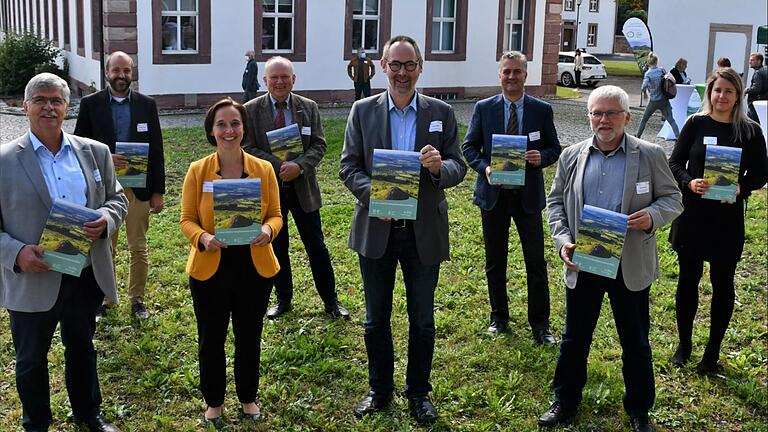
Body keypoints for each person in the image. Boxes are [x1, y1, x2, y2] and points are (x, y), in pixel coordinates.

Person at [539, 85, 682, 432]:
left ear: (627, 117)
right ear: (589, 117)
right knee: (575, 339)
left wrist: (652, 216)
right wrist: (563, 242)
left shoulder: (649, 155)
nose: (603, 120)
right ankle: (565, 399)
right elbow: (555, 203)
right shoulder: (572, 155)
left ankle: (638, 410)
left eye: (611, 113)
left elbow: (674, 199)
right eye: (596, 113)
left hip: (629, 264)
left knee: (635, 341)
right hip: (585, 260)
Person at [340, 35, 467, 424]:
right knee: (375, 318)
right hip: (376, 229)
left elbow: (458, 166)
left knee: (423, 320)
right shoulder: (362, 111)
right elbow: (348, 168)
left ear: (420, 67)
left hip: (422, 231)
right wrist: (375, 196)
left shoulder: (441, 112)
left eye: (409, 65)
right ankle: (379, 389)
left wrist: (437, 168)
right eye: (394, 65)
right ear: (383, 66)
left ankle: (418, 393)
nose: (401, 72)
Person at [0, 72, 127, 432]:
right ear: (25, 107)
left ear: (67, 107)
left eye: (56, 100)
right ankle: (36, 424)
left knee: (83, 348)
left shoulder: (95, 152)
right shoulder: (4, 159)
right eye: (40, 99)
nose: (49, 107)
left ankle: (89, 414)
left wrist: (105, 218)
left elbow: (117, 199)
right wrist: (17, 253)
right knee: (30, 361)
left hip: (83, 271)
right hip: (32, 277)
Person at [180, 98, 283, 428]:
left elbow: (276, 215)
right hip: (211, 266)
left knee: (249, 336)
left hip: (254, 267)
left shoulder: (263, 169)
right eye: (222, 124)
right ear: (212, 130)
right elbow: (187, 219)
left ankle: (248, 397)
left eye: (235, 123)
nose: (229, 130)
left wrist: (268, 229)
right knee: (211, 337)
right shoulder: (198, 170)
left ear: (243, 128)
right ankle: (214, 402)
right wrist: (203, 238)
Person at [668, 67, 768, 374]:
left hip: (726, 219)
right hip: (693, 216)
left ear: (737, 95)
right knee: (688, 281)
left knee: (722, 283)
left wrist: (742, 187)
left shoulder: (749, 130)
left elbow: (761, 173)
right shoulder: (695, 123)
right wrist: (689, 181)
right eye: (717, 90)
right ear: (709, 93)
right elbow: (674, 162)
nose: (721, 96)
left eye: (728, 91)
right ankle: (684, 345)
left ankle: (711, 354)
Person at [462, 51, 561, 344]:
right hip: (493, 195)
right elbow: (469, 148)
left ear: (525, 76)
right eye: (506, 72)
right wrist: (486, 167)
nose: (511, 77)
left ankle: (540, 325)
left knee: (535, 262)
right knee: (495, 260)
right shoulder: (484, 108)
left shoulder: (541, 110)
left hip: (527, 196)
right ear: (500, 75)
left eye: (517, 72)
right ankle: (499, 317)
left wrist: (539, 158)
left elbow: (554, 148)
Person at [243, 56, 349, 319]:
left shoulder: (308, 107)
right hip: (271, 190)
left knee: (316, 246)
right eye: (274, 77)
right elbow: (248, 147)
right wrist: (278, 165)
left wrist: (300, 166)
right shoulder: (250, 110)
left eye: (285, 77)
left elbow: (320, 144)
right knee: (277, 246)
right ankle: (283, 299)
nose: (279, 82)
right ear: (265, 81)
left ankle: (331, 300)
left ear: (293, 79)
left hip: (304, 189)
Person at [74, 51, 165, 320]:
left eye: (127, 71)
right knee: (105, 248)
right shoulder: (91, 104)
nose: (122, 76)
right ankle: (105, 297)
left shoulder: (146, 105)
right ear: (106, 73)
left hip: (139, 189)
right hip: (104, 190)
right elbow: (78, 146)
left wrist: (158, 191)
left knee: (138, 246)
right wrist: (105, 156)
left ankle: (137, 299)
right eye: (117, 70)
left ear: (132, 73)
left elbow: (157, 149)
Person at [637, 51, 680, 139]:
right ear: (657, 61)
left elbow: (643, 86)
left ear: (648, 62)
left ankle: (638, 136)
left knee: (644, 120)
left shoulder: (648, 74)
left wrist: (644, 92)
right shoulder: (662, 70)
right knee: (671, 120)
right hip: (664, 100)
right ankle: (678, 137)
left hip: (653, 101)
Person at [746, 52, 768, 122]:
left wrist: (746, 90)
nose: (750, 62)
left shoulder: (758, 73)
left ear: (759, 61)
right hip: (764, 103)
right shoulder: (765, 70)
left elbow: (756, 89)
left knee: (752, 124)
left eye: (752, 60)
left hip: (756, 102)